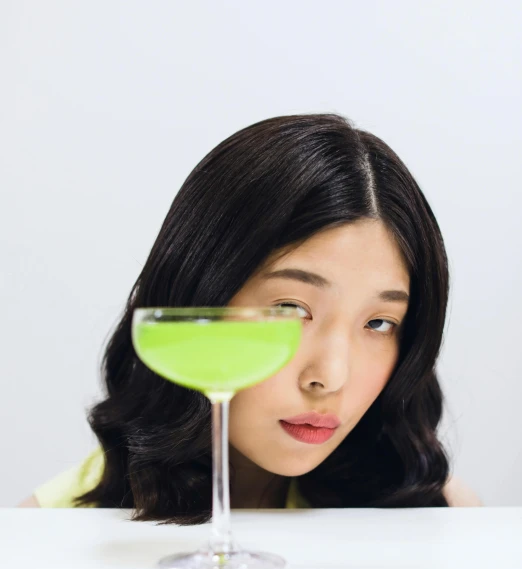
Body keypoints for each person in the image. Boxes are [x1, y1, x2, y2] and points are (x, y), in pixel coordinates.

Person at [18, 113, 483, 519]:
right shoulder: (49, 537)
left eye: (378, 323)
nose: (330, 376)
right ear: (197, 297)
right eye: (290, 309)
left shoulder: (442, 523)